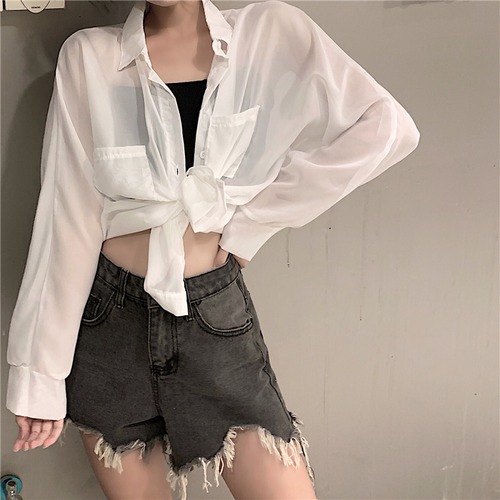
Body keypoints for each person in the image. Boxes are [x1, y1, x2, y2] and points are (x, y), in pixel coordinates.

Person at [5, 0, 420, 498]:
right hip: (108, 326)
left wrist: (251, 225)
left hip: (212, 319)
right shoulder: (90, 55)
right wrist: (40, 374)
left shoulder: (269, 32)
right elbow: (67, 216)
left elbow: (386, 127)